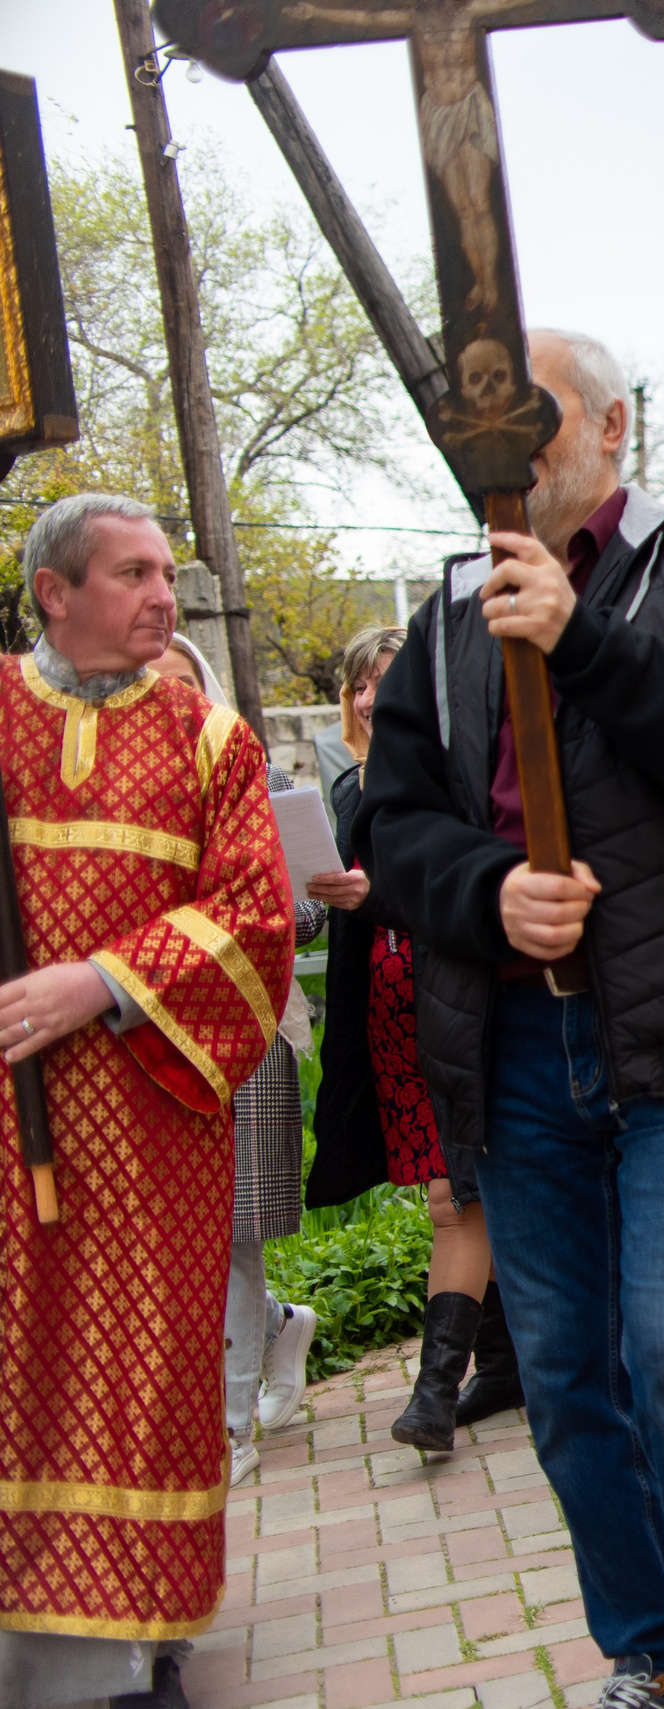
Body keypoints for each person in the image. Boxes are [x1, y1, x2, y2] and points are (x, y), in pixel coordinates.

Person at [357, 328, 664, 1708]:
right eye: (480, 421)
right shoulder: (441, 617)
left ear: (613, 429)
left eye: (534, 414)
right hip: (511, 1038)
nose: (507, 444)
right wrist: (493, 895)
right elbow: (395, 823)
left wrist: (583, 637)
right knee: (561, 1368)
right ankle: (647, 1643)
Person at [0, 493, 292, 1701]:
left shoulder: (211, 741)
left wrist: (101, 981)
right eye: (131, 574)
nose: (164, 597)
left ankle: (139, 1642)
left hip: (152, 1125)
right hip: (9, 1129)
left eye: (166, 572)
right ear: (54, 594)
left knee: (143, 1369)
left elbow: (259, 922)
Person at [309, 624, 523, 1450]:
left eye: (385, 682)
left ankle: (435, 1392)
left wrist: (378, 895)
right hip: (389, 1012)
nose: (368, 698)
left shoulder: (455, 773)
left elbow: (459, 891)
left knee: (455, 1193)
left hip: (454, 996)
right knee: (459, 1189)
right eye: (358, 684)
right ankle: (505, 1364)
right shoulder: (347, 788)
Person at [153, 635, 325, 1487]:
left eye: (183, 684)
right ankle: (280, 1323)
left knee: (229, 1231)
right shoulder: (118, 800)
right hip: (144, 1037)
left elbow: (307, 916)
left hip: (245, 1034)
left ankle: (229, 1427)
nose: (168, 700)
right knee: (166, 1233)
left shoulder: (261, 786)